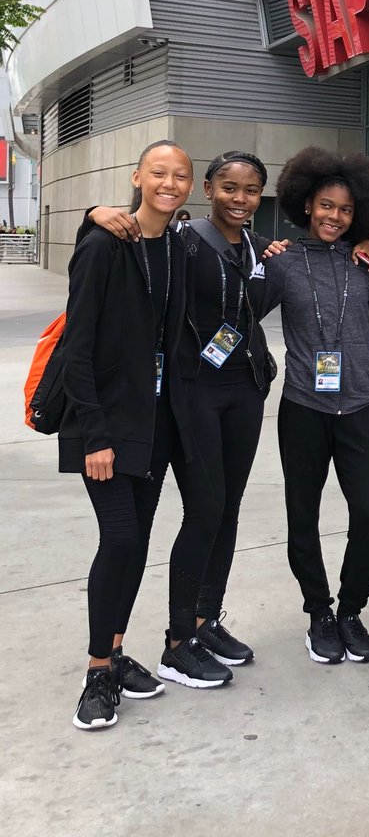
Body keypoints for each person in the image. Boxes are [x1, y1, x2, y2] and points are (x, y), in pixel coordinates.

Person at [81, 152, 286, 686]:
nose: (239, 198)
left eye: (251, 189)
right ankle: (163, 641)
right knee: (194, 513)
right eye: (228, 187)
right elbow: (133, 232)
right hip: (188, 394)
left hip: (242, 389)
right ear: (209, 190)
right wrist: (92, 211)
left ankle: (201, 621)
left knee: (225, 510)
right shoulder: (184, 239)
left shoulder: (262, 249)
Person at [60, 140, 193, 729]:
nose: (169, 182)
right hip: (105, 426)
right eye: (158, 172)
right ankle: (96, 671)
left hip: (154, 423)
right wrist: (93, 436)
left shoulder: (179, 247)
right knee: (118, 539)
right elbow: (78, 349)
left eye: (180, 175)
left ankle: (114, 652)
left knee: (136, 542)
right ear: (137, 177)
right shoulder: (103, 244)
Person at [263, 147, 369, 665]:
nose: (333, 217)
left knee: (367, 513)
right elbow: (239, 308)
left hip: (364, 405)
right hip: (304, 407)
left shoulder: (368, 260)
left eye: (344, 210)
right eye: (324, 205)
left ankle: (351, 610)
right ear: (305, 204)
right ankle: (319, 610)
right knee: (304, 514)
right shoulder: (283, 263)